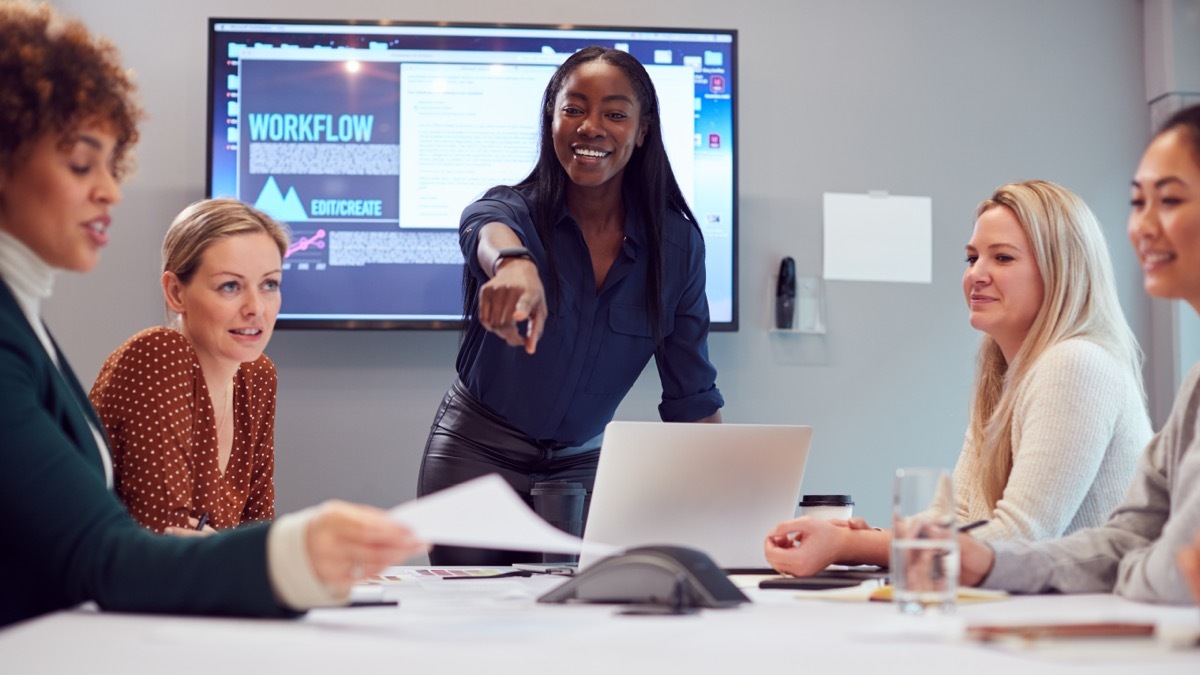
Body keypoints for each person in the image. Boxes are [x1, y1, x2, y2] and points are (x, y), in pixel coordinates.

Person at [0, 1, 422, 628]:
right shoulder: (106, 349)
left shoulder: (25, 318)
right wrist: (297, 550)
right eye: (81, 163)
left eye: (113, 166)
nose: (111, 190)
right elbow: (109, 554)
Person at [418, 46, 723, 565]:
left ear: (642, 130)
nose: (592, 127)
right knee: (467, 631)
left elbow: (692, 398)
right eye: (574, 109)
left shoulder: (677, 247)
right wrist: (512, 265)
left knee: (577, 632)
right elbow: (481, 225)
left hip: (582, 471)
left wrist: (727, 508)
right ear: (552, 119)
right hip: (476, 458)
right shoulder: (513, 211)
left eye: (616, 113)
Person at [765, 180, 1150, 576]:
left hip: (1081, 622)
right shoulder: (1004, 375)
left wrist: (858, 544)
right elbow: (958, 516)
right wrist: (866, 539)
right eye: (972, 258)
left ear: (1060, 270)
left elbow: (1019, 538)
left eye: (1002, 258)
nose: (976, 275)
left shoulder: (1075, 363)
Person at [960, 104, 1200, 605]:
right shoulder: (1196, 385)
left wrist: (1132, 568)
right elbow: (1132, 544)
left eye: (1171, 200)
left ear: (1060, 268)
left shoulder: (1076, 363)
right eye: (1138, 203)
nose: (1143, 227)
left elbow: (1177, 571)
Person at [89, 199, 284, 533]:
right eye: (230, 286)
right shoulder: (158, 355)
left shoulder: (257, 375)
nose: (256, 308)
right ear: (176, 292)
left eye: (269, 284)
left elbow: (256, 536)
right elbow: (162, 537)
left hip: (206, 586)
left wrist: (225, 553)